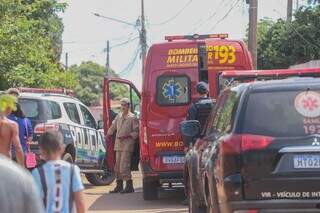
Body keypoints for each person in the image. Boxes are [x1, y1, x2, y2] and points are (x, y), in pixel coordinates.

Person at [32, 131, 86, 213]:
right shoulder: (73, 170)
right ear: (62, 148)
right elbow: (80, 203)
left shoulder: (37, 173)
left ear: (42, 150)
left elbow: (34, 205)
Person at [182, 82, 213, 206]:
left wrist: (187, 144)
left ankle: (190, 196)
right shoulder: (215, 104)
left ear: (197, 92)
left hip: (198, 143)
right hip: (213, 140)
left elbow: (190, 127)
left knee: (191, 170)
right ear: (207, 91)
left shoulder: (193, 107)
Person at [107, 98, 139, 194]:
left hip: (127, 145)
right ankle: (119, 186)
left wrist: (127, 136)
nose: (123, 107)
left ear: (128, 106)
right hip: (118, 144)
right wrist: (108, 134)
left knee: (124, 166)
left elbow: (137, 131)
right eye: (121, 105)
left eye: (124, 105)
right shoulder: (119, 116)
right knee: (117, 167)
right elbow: (113, 127)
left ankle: (129, 187)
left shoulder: (133, 117)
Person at [0, 94, 24, 166]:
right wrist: (22, 167)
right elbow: (18, 148)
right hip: (5, 163)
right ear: (9, 108)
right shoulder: (12, 125)